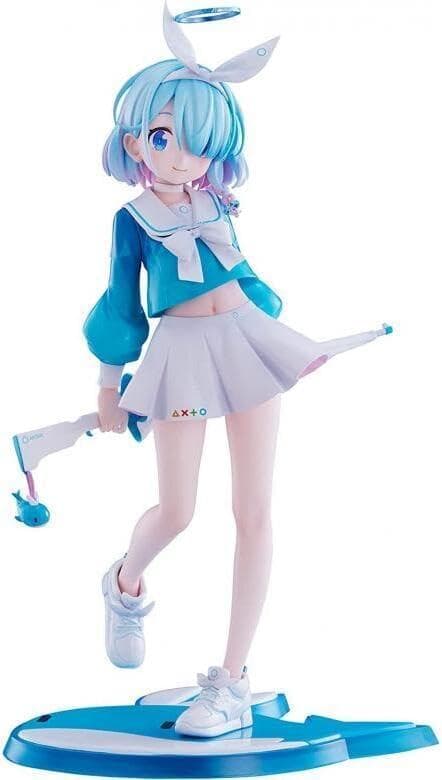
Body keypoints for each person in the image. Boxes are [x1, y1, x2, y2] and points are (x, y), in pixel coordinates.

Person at [83, 4, 391, 739]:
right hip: (181, 358)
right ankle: (125, 583)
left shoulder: (218, 201)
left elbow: (245, 279)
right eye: (164, 137)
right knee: (178, 510)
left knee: (254, 511)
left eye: (198, 143)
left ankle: (232, 681)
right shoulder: (133, 219)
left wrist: (284, 343)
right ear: (135, 138)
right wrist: (107, 383)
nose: (180, 157)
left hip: (247, 342)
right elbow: (121, 303)